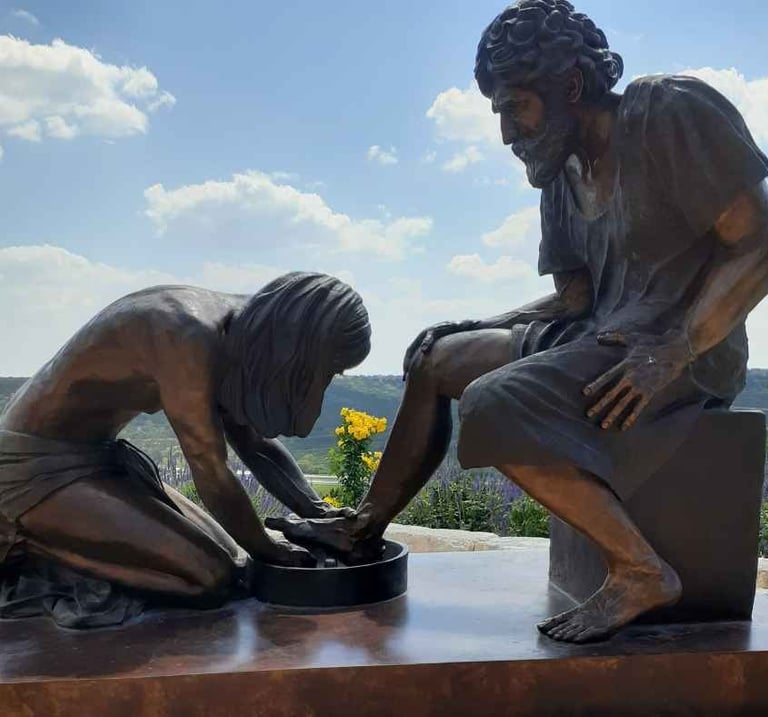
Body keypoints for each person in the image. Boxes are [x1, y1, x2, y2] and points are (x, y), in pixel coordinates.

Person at [269, 0, 768, 643]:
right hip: (602, 330)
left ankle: (640, 567)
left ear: (571, 85)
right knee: (434, 361)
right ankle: (363, 524)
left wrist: (676, 345)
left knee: (493, 405)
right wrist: (477, 323)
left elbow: (756, 241)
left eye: (515, 107)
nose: (507, 132)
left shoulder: (665, 111)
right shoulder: (558, 171)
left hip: (680, 346)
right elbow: (573, 298)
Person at [0, 271, 370, 627]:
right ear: (302, 351)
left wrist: (318, 513)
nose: (326, 380)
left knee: (232, 560)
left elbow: (254, 443)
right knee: (208, 577)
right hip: (31, 470)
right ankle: (29, 545)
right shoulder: (184, 331)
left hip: (99, 461)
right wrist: (270, 550)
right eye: (330, 370)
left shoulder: (245, 334)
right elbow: (209, 465)